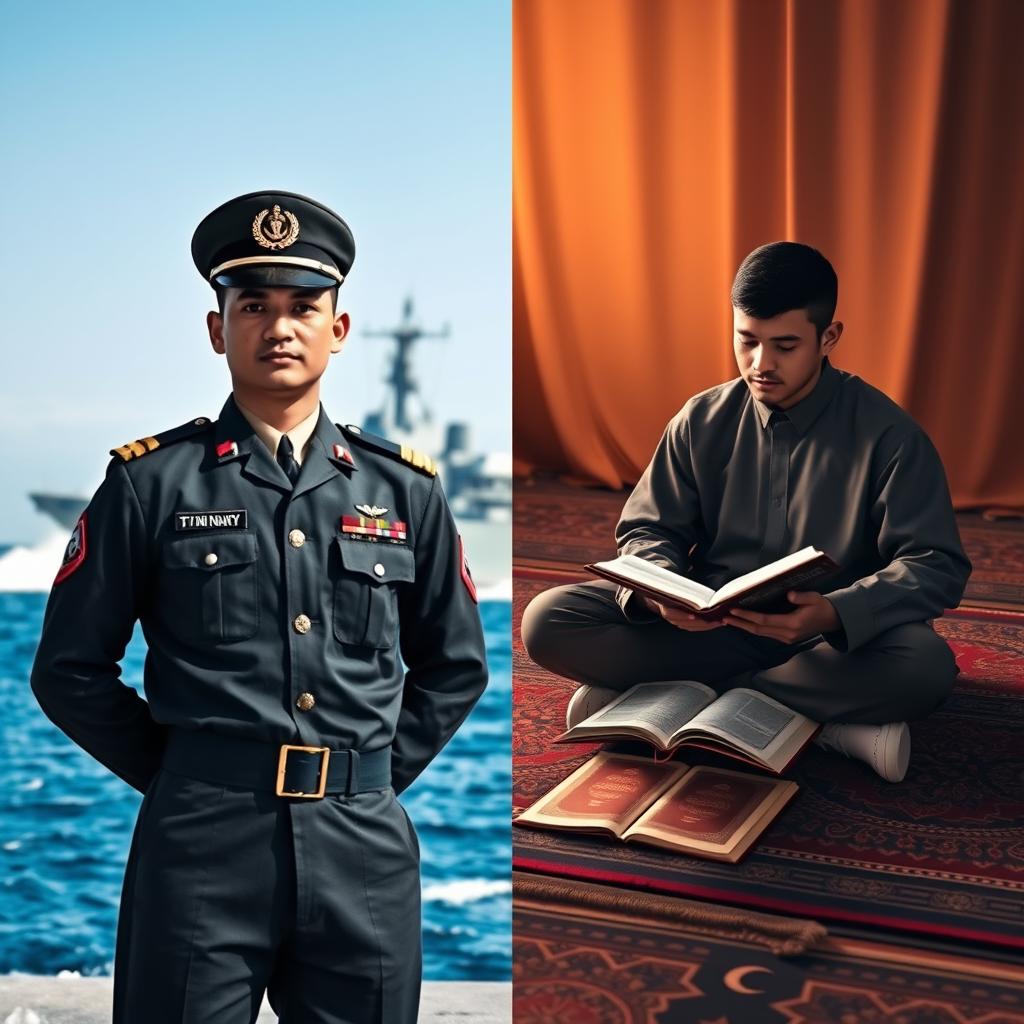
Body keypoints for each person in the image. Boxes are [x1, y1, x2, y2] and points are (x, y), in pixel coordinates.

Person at [30, 190, 488, 1023]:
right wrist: (183, 775)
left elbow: (456, 666)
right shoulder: (149, 484)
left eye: (303, 307)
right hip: (202, 848)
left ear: (338, 330)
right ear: (218, 329)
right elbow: (67, 671)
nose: (280, 327)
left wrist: (368, 778)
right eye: (254, 306)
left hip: (364, 853)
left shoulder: (406, 492)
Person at [521, 241, 970, 784]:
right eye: (747, 341)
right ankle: (817, 719)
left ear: (828, 337)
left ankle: (666, 696)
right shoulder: (702, 418)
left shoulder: (890, 436)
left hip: (824, 641)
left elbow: (933, 563)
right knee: (547, 619)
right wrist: (661, 590)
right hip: (707, 628)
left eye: (784, 346)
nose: (761, 364)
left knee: (923, 667)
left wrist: (834, 613)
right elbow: (648, 527)